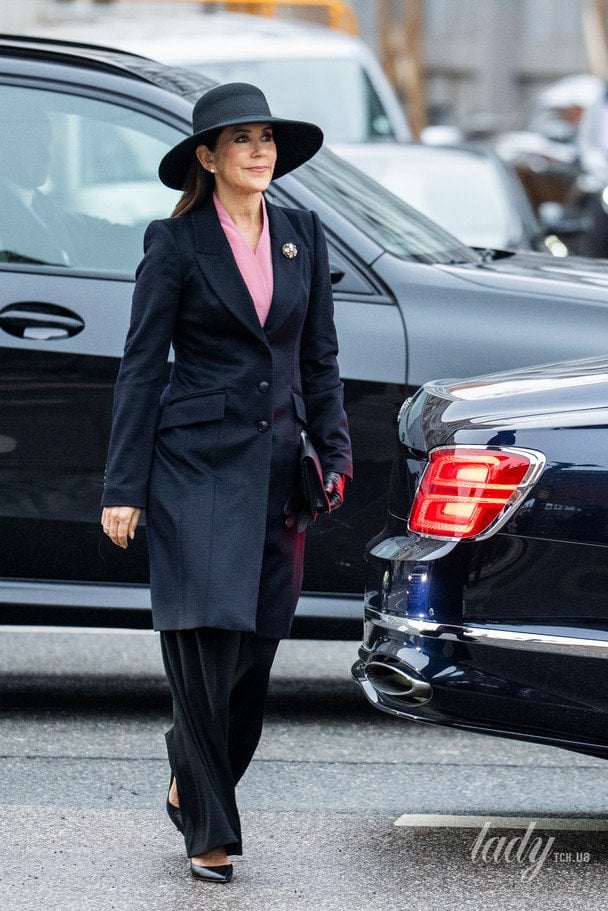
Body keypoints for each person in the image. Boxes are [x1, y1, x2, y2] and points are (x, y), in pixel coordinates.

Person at [100, 82, 352, 884]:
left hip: (280, 470)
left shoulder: (303, 235)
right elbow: (142, 368)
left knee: (255, 652)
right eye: (240, 140)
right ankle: (211, 831)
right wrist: (123, 485)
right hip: (195, 468)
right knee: (206, 641)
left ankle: (191, 764)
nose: (259, 151)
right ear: (208, 158)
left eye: (266, 138)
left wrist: (336, 454)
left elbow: (319, 359)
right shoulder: (174, 244)